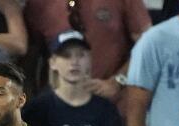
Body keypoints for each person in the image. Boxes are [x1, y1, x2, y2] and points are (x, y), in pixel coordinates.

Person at [22, 0, 151, 104]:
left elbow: (149, 47)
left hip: (113, 104)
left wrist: (117, 81)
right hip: (57, 109)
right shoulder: (36, 4)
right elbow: (30, 56)